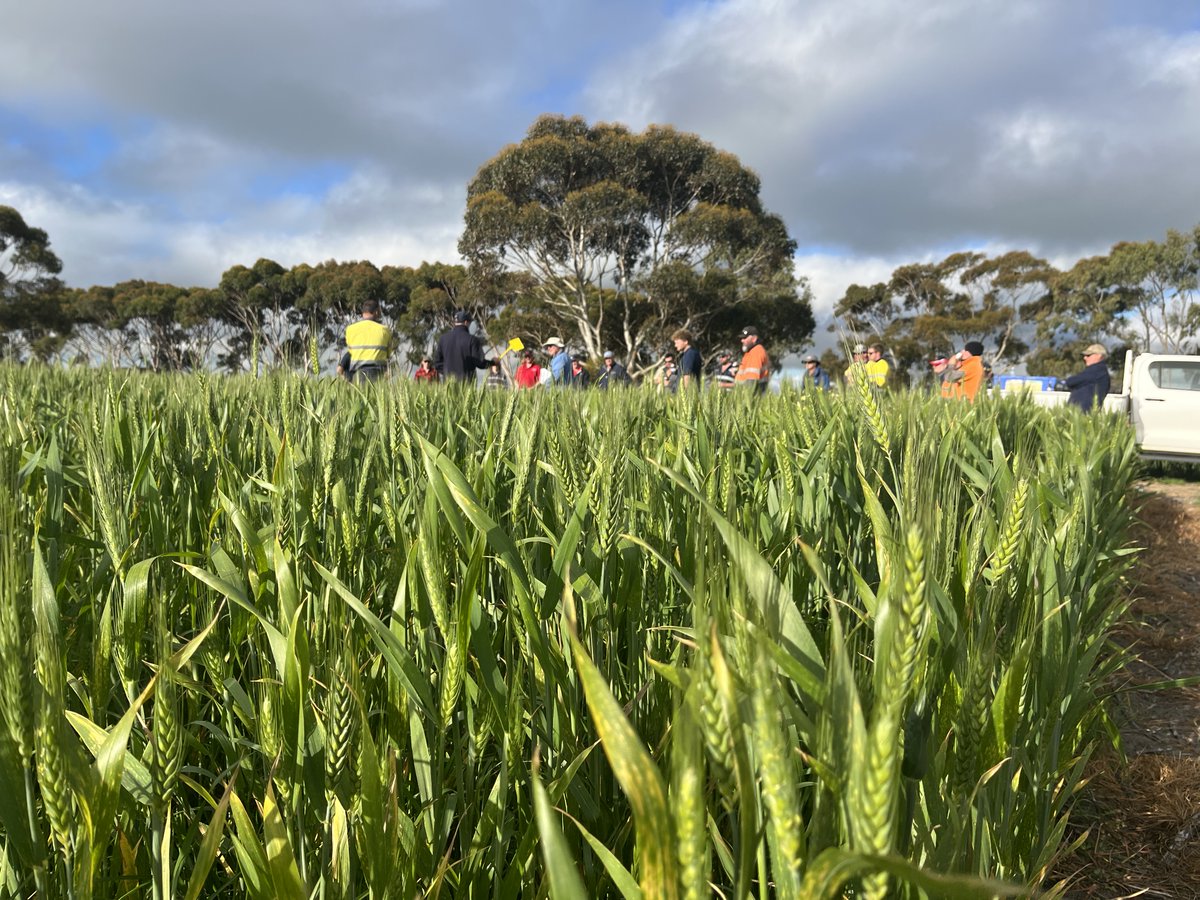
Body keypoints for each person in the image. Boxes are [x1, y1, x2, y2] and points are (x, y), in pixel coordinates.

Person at [339, 298, 392, 382]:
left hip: (358, 375)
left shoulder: (350, 329)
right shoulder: (385, 330)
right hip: (378, 375)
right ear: (377, 312)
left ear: (363, 313)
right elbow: (388, 354)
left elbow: (351, 352)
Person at [434, 310, 494, 381]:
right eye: (470, 323)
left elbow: (437, 363)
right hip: (467, 384)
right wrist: (492, 363)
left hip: (448, 385)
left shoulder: (443, 339)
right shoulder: (472, 340)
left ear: (455, 323)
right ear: (466, 322)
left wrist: (448, 373)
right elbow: (480, 363)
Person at [1063, 343, 1111, 412]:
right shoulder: (1100, 372)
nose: (1085, 358)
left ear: (1099, 356)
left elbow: (1070, 382)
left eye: (1088, 355)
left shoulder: (1096, 371)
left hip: (1083, 416)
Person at [734, 326, 770, 393]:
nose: (742, 340)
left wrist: (746, 400)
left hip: (750, 398)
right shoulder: (749, 352)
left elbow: (751, 380)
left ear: (754, 339)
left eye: (745, 338)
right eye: (742, 338)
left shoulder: (756, 352)